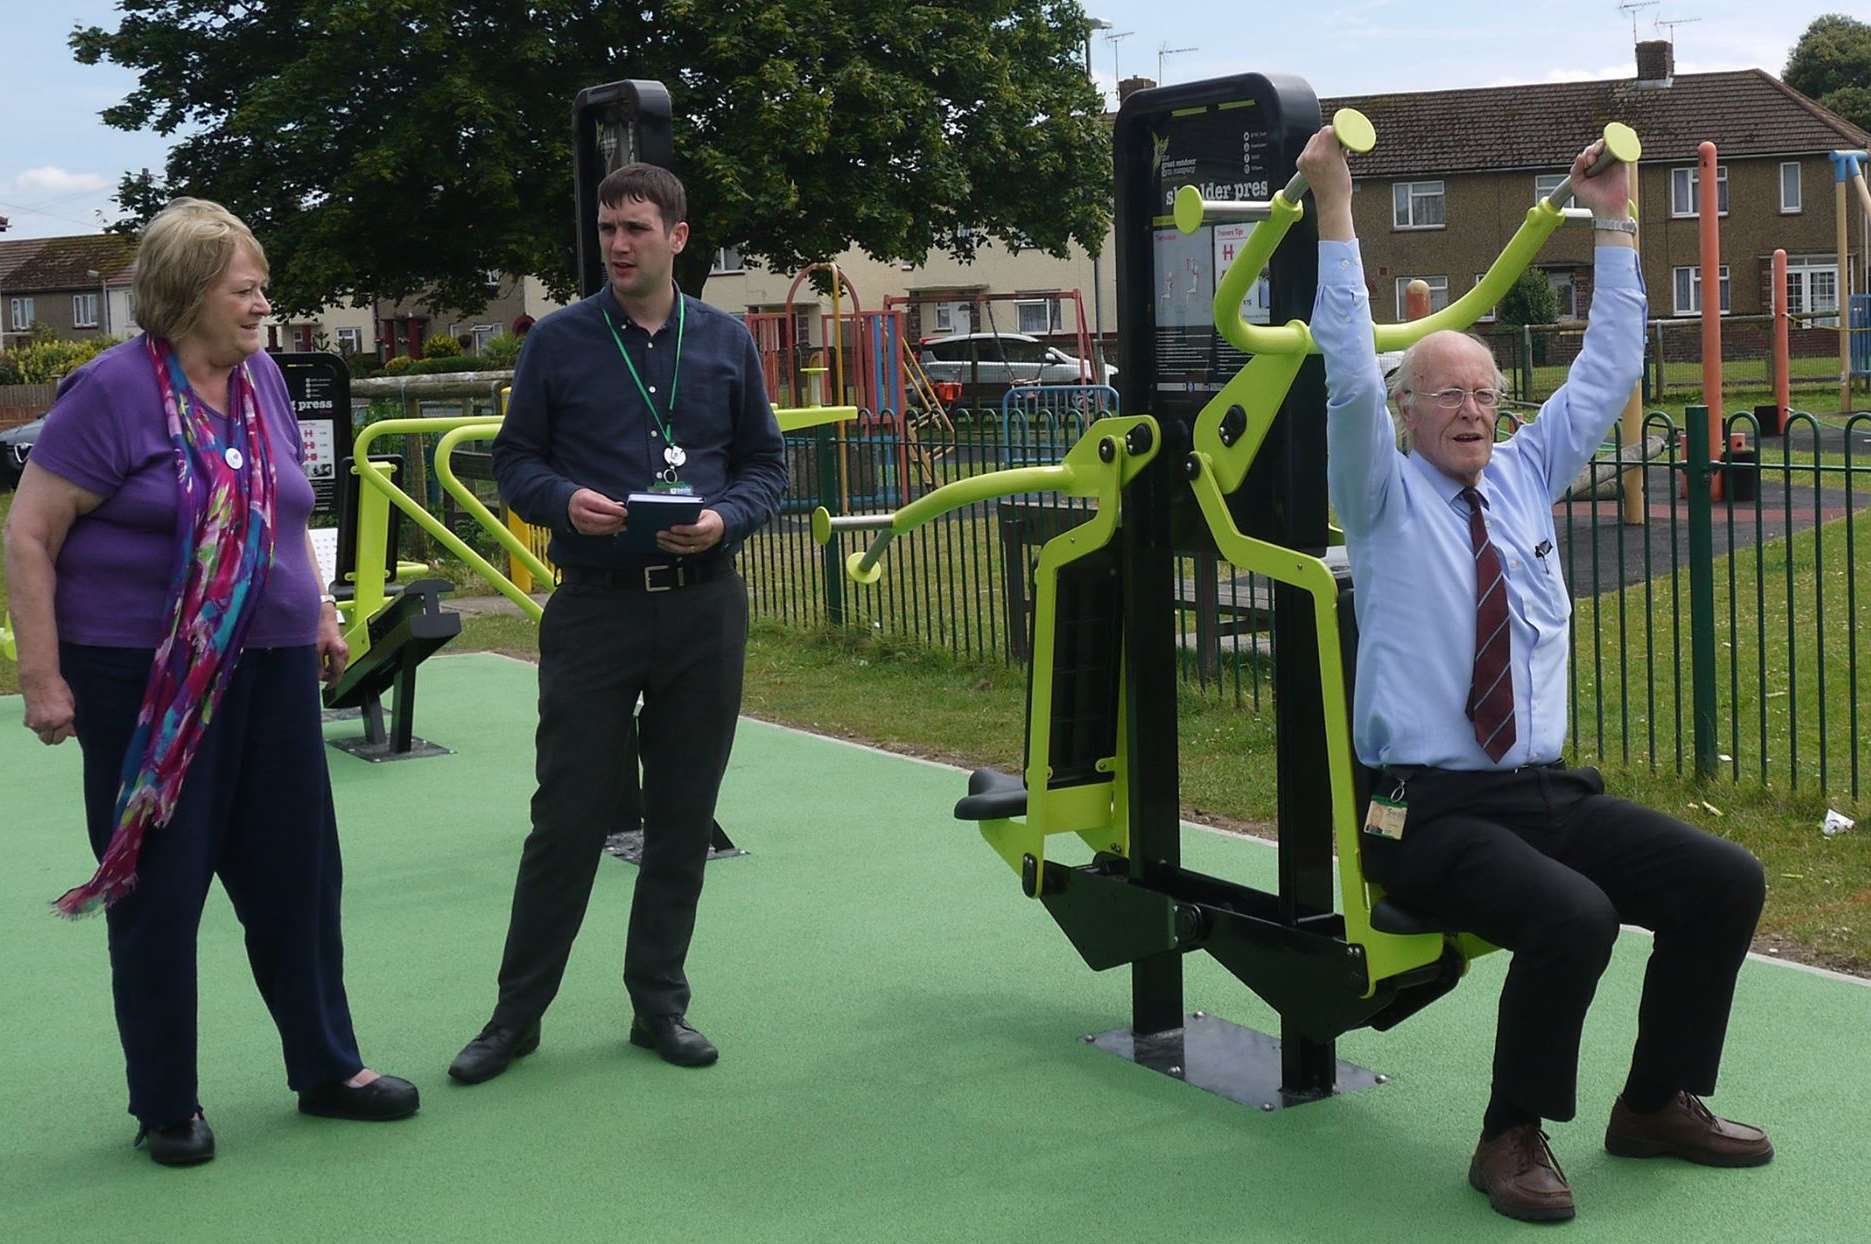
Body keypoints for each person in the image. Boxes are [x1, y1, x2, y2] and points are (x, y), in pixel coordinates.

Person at [1299, 128, 1772, 1223]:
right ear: (1404, 410)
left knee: (1722, 878)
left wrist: (1611, 218)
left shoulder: (1522, 477)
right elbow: (1339, 364)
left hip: (1537, 789)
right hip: (1415, 807)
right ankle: (1509, 1129)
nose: (1468, 408)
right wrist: (1334, 204)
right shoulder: (1375, 496)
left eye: (1483, 393)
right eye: (1443, 393)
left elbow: (1607, 367)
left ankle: (1654, 1099)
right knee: (1575, 914)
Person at [3, 199, 418, 1167]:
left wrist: (315, 609)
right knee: (160, 887)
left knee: (298, 878)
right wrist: (41, 675)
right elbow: (28, 532)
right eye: (246, 289)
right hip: (144, 683)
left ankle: (327, 1066)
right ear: (188, 294)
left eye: (261, 288)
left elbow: (280, 513)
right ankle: (166, 1103)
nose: (263, 305)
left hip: (268, 669)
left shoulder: (263, 377)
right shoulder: (110, 392)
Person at [449, 164, 785, 1084]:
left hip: (704, 607)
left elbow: (766, 464)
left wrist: (727, 518)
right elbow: (515, 461)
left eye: (634, 227)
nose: (616, 243)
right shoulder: (558, 340)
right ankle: (515, 1018)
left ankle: (658, 1005)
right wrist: (564, 501)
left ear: (678, 236)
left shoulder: (724, 340)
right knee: (566, 818)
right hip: (595, 609)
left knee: (681, 817)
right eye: (605, 228)